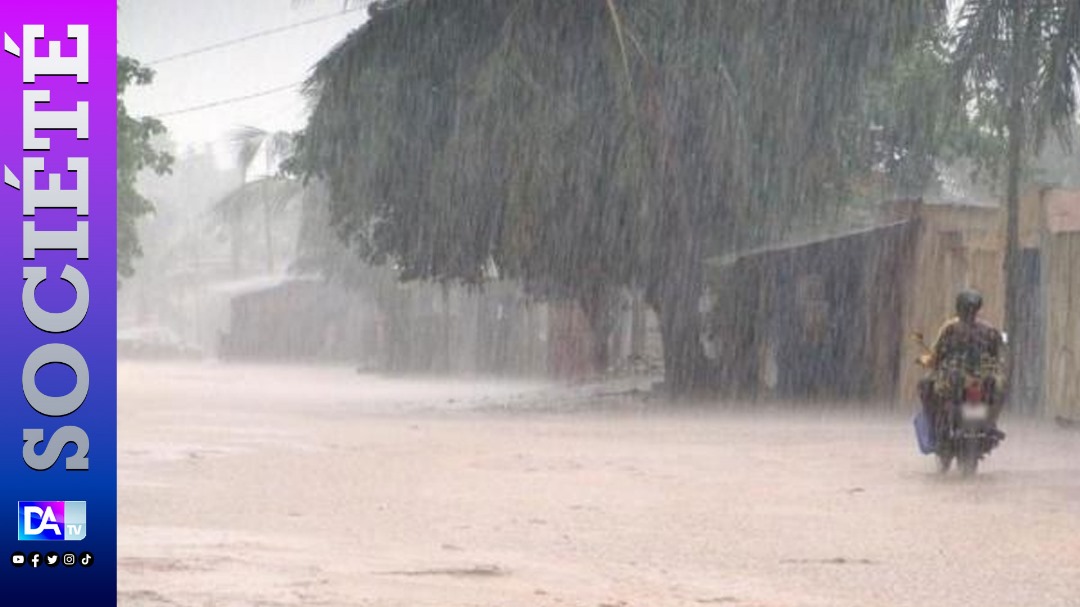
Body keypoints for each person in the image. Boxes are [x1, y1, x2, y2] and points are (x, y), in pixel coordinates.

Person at [917, 289, 1006, 439]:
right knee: (999, 389)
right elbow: (999, 356)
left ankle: (934, 426)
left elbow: (936, 353)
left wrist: (929, 361)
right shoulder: (989, 330)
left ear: (958, 308)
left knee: (925, 384)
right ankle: (990, 423)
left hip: (954, 378)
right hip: (981, 378)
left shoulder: (950, 329)